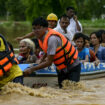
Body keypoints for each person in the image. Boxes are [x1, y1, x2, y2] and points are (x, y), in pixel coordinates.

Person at [23, 17, 81, 88]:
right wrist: (41, 59)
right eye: (34, 28)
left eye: (38, 28)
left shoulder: (52, 39)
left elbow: (49, 62)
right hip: (61, 67)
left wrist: (31, 69)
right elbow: (47, 50)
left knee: (72, 89)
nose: (36, 31)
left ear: (45, 28)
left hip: (72, 65)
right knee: (62, 89)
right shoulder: (41, 37)